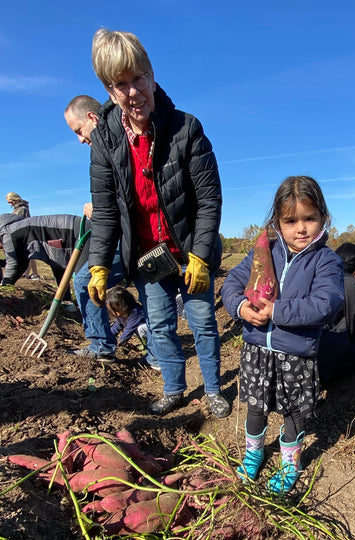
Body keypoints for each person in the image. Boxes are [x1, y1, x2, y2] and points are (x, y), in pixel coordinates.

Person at [87, 29, 230, 418]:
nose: (133, 92)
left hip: (187, 250)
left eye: (138, 79)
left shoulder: (186, 128)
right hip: (148, 255)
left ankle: (215, 389)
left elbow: (208, 199)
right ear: (109, 89)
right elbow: (105, 211)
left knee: (201, 320)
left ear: (151, 75)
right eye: (121, 85)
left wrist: (201, 255)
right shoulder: (105, 141)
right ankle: (174, 389)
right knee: (162, 324)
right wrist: (99, 263)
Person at [221, 175, 344, 494]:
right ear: (277, 221)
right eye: (291, 220)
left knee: (293, 415)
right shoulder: (264, 251)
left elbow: (325, 304)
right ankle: (253, 455)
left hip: (297, 356)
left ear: (323, 218)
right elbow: (232, 283)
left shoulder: (326, 260)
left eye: (309, 218)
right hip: (257, 352)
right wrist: (240, 308)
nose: (301, 228)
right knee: (255, 409)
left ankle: (290, 464)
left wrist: (276, 311)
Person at [64, 96, 126, 363]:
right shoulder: (108, 144)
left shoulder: (116, 142)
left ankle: (101, 345)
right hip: (124, 235)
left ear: (92, 118)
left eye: (78, 130)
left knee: (81, 282)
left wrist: (98, 211)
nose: (79, 139)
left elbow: (124, 199)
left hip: (132, 238)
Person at [0, 213, 87, 310]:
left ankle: (92, 316)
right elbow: (21, 262)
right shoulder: (21, 226)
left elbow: (14, 264)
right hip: (72, 229)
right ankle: (67, 302)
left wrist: (5, 286)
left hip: (79, 231)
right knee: (57, 264)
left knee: (84, 280)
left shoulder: (10, 232)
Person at [317, 242, 355, 384]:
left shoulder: (321, 275)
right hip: (326, 346)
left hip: (306, 343)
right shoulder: (350, 283)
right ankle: (327, 379)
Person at [106, 285, 152, 351]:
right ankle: (145, 344)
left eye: (117, 310)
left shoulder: (135, 312)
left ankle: (149, 348)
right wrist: (108, 337)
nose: (115, 314)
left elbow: (129, 330)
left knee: (140, 329)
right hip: (141, 332)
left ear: (125, 305)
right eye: (113, 311)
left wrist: (119, 342)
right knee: (138, 330)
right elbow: (116, 327)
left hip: (149, 330)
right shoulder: (122, 315)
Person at [6, 192, 39, 280]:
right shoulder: (17, 210)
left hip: (24, 233)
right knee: (27, 254)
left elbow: (25, 222)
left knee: (29, 254)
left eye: (11, 202)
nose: (10, 204)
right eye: (9, 203)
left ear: (16, 199)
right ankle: (28, 273)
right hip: (19, 233)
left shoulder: (22, 209)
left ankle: (33, 274)